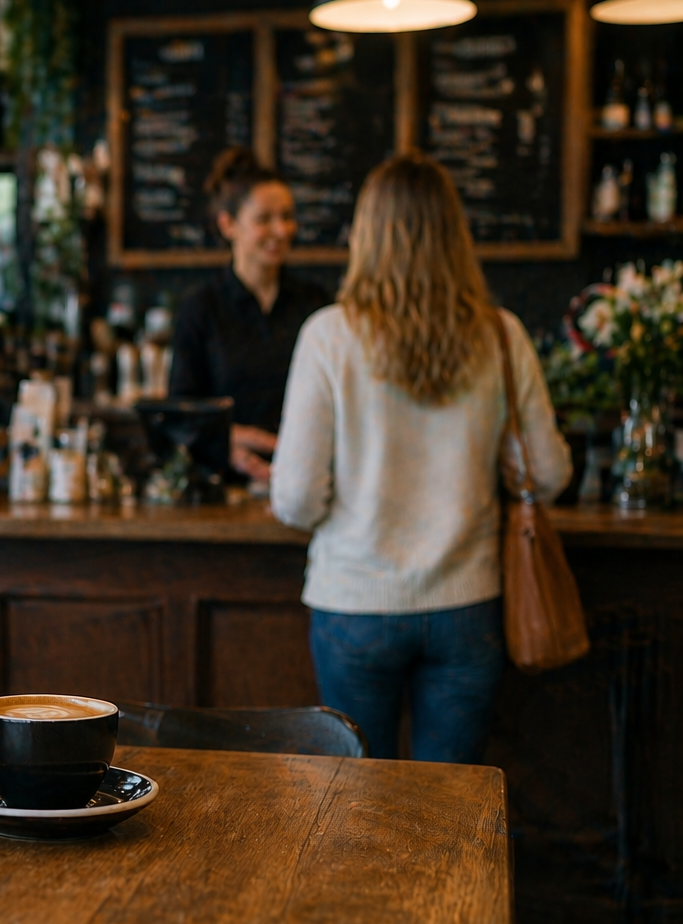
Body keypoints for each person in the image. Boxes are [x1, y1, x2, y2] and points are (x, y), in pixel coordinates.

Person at [270, 153, 570, 763]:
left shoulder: (329, 335)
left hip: (354, 602)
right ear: (455, 235)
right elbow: (549, 473)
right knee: (447, 811)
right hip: (466, 604)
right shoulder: (500, 334)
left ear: (366, 234)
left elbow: (296, 498)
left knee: (356, 807)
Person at [168, 147, 331, 482]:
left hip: (305, 484)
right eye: (264, 219)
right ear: (228, 225)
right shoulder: (201, 310)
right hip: (227, 489)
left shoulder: (316, 306)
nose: (281, 231)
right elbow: (180, 416)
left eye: (287, 217)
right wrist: (228, 439)